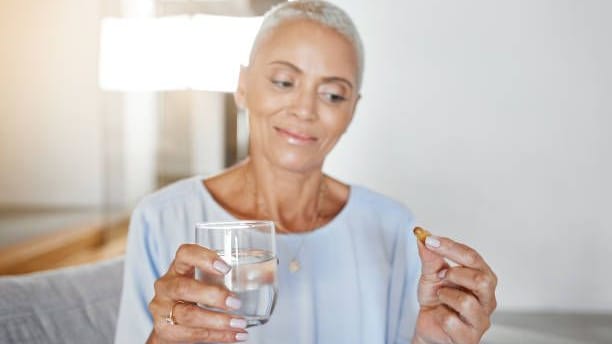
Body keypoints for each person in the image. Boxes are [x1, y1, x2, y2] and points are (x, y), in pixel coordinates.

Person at [114, 1, 497, 343]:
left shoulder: (391, 226)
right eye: (284, 82)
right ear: (242, 86)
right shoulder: (162, 218)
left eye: (332, 94)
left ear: (352, 111)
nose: (305, 109)